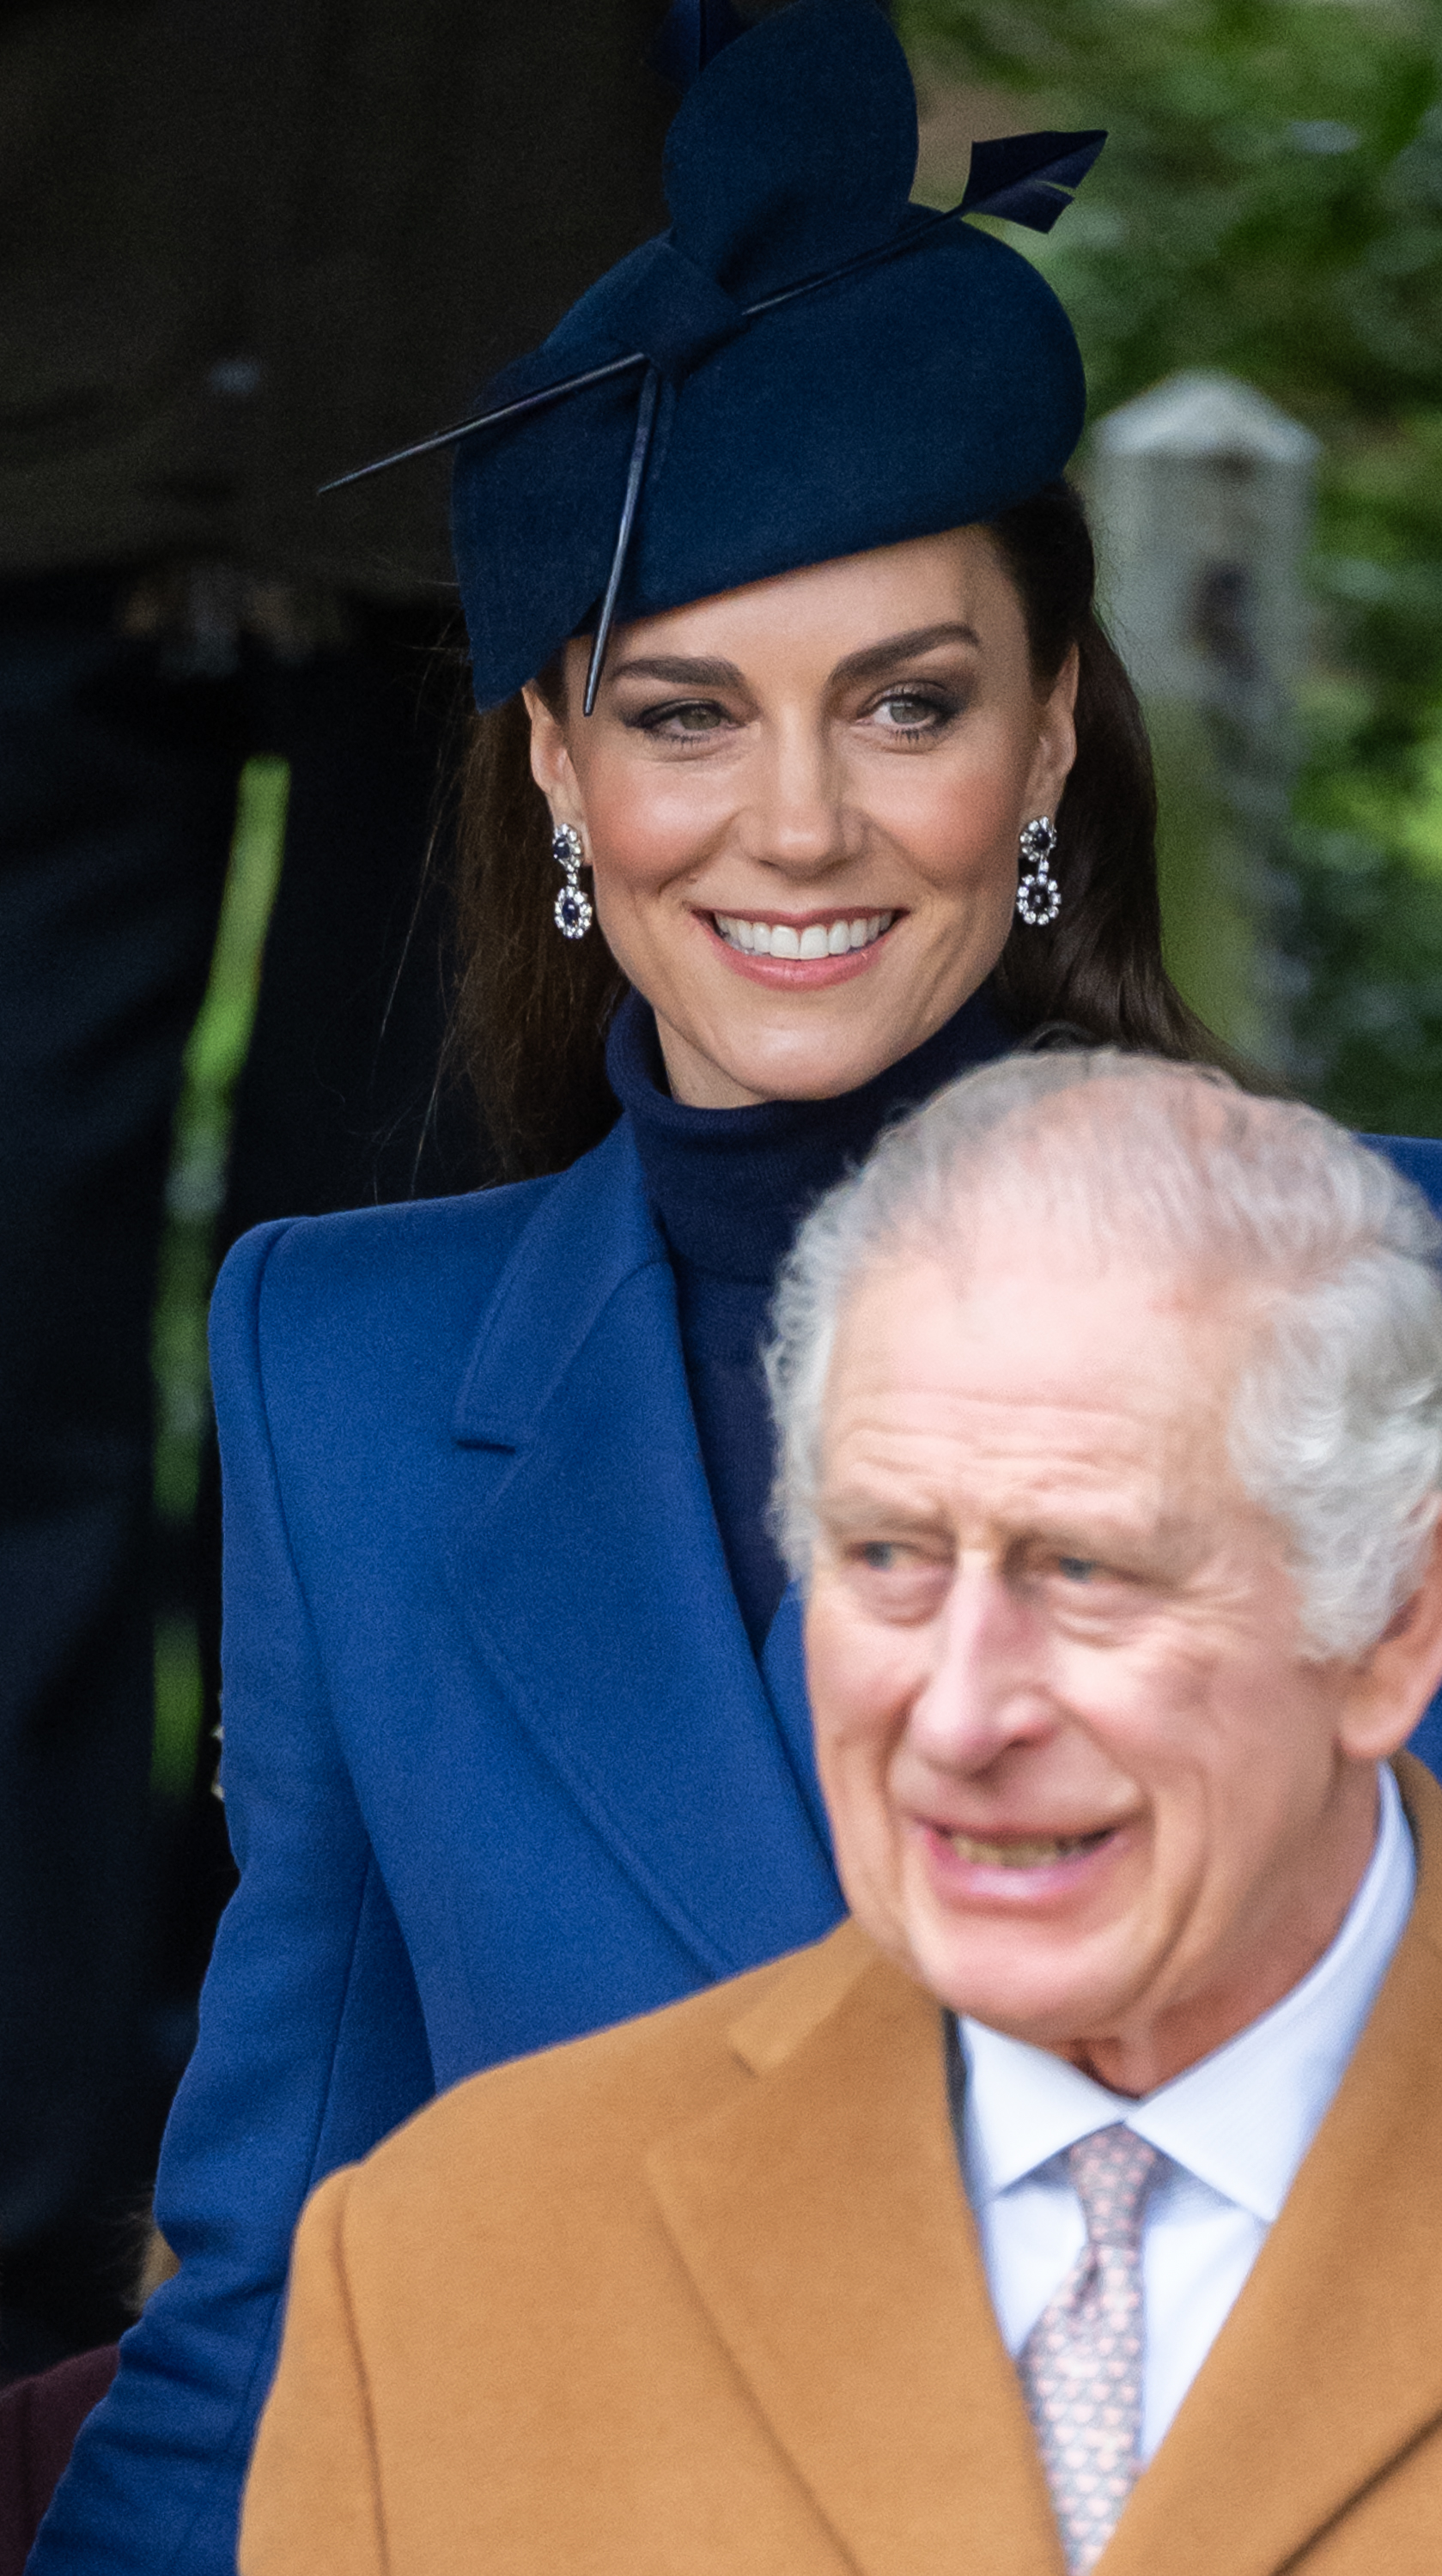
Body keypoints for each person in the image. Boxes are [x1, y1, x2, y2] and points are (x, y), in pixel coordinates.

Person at [30, 4, 1442, 2568]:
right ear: (560, 769)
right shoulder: (344, 1367)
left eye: (906, 705)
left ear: (1048, 741)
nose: (796, 825)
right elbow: (278, 2313)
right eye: (686, 712)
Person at [240, 1055, 1442, 2576]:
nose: (960, 1714)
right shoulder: (438, 2270)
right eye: (889, 1557)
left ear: (1396, 1624)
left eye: (1088, 1572)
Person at [0, 0, 676, 2371]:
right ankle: (19, 2264)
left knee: (416, 1399)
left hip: (518, 474)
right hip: (46, 433)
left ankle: (348, 2207)